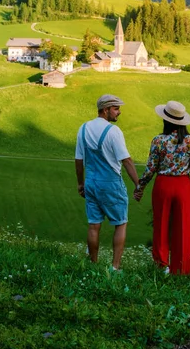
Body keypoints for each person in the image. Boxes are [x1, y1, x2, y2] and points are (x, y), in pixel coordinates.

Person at [134, 100, 190, 275]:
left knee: (161, 224)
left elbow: (151, 167)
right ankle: (180, 268)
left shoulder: (158, 141)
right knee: (183, 226)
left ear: (166, 120)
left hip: (163, 184)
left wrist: (140, 187)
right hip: (183, 185)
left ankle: (161, 265)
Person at [75, 94, 139, 270]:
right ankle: (115, 267)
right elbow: (126, 160)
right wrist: (137, 184)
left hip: (91, 182)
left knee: (93, 225)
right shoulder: (113, 132)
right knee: (120, 223)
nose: (119, 112)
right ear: (105, 110)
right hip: (110, 183)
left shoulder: (83, 129)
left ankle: (93, 264)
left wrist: (80, 183)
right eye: (116, 108)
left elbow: (79, 160)